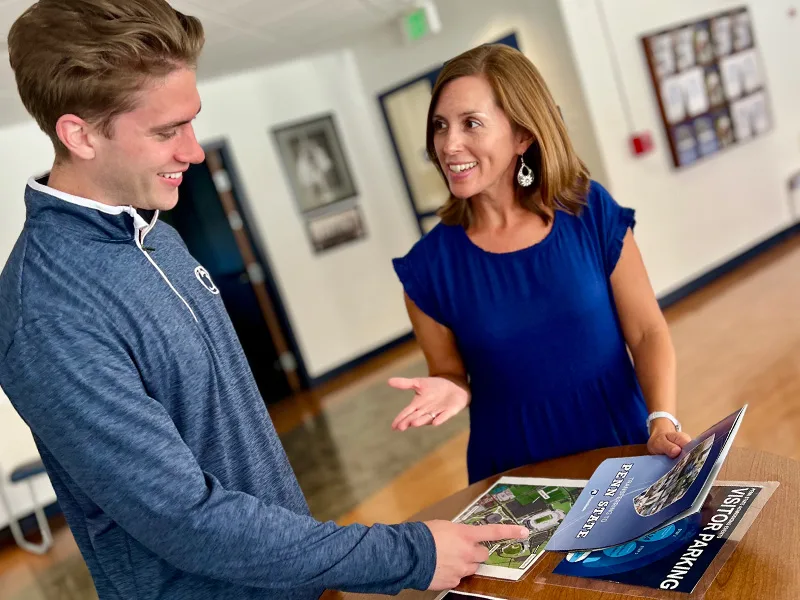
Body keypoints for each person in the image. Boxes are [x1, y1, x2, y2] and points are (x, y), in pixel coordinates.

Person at [0, 3, 528, 599]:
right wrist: (407, 554)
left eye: (191, 122)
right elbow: (187, 518)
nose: (194, 152)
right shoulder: (46, 310)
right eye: (166, 131)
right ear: (79, 134)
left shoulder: (158, 237)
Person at [389, 44, 692, 485]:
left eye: (471, 123)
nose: (448, 145)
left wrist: (662, 419)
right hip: (516, 477)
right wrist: (451, 388)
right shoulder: (426, 270)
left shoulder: (590, 212)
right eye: (440, 126)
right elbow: (451, 371)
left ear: (522, 137)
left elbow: (647, 331)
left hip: (623, 447)